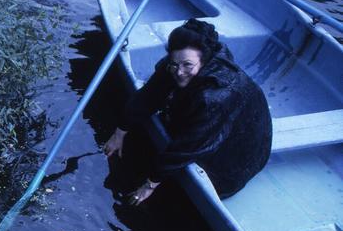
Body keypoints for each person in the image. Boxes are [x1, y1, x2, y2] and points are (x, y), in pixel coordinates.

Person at [103, 18, 272, 205]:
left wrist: (150, 183)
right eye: (174, 64)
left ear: (204, 60)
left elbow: (189, 147)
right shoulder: (179, 62)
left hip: (234, 162)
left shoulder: (216, 97)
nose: (179, 71)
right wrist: (121, 131)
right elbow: (150, 94)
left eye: (187, 65)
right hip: (214, 125)